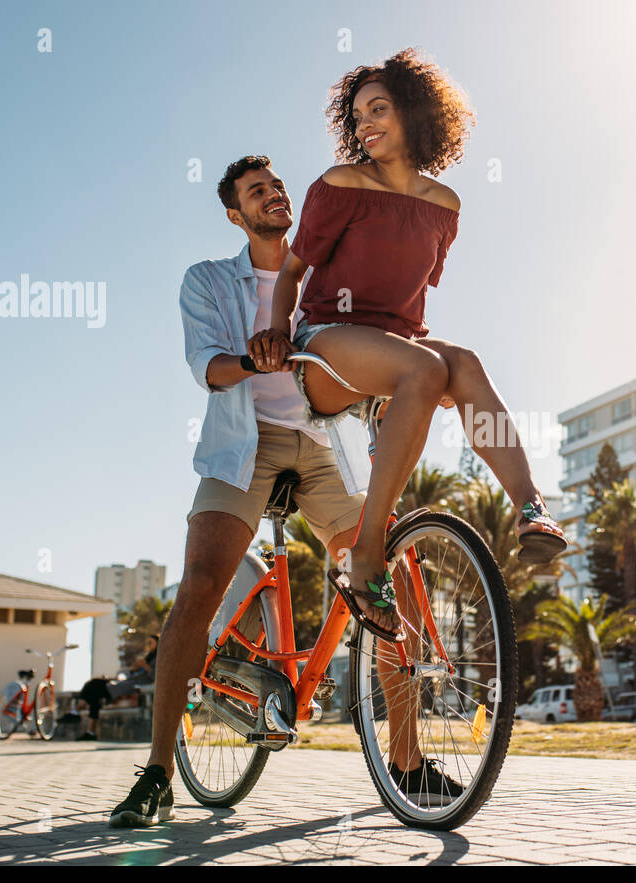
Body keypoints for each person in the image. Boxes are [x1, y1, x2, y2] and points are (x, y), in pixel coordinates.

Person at [249, 49, 567, 644]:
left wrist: (426, 374)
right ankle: (367, 557)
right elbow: (293, 273)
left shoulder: (444, 206)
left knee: (463, 363)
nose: (365, 123)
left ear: (416, 114)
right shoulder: (342, 185)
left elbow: (408, 299)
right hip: (323, 347)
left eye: (379, 109)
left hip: (394, 348)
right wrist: (276, 327)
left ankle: (532, 510)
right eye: (357, 114)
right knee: (425, 367)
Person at [107, 156, 383, 827]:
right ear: (236, 213)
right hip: (243, 445)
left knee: (381, 582)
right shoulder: (207, 280)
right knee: (200, 583)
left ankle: (404, 764)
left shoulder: (320, 276)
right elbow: (206, 365)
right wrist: (254, 358)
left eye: (278, 186)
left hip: (321, 446)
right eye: (257, 191)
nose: (274, 194)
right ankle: (156, 775)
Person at [76, 635, 158, 741]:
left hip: (129, 687)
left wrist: (145, 666)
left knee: (94, 685)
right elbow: (130, 674)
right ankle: (90, 732)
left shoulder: (157, 659)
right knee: (93, 693)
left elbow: (155, 676)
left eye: (150, 643)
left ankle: (78, 711)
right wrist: (134, 668)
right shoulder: (148, 657)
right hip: (123, 684)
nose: (148, 646)